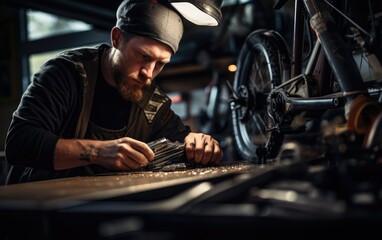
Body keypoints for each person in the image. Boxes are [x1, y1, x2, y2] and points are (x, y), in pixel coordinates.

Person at [4, 0, 223, 184]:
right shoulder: (66, 74)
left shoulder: (153, 103)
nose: (148, 73)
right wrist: (98, 152)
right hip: (35, 209)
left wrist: (200, 143)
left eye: (160, 63)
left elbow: (184, 140)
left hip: (94, 212)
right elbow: (19, 144)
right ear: (117, 38)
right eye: (144, 56)